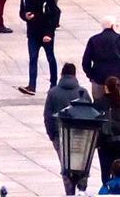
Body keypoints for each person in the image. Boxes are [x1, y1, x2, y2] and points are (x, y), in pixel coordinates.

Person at [43, 63, 91, 195]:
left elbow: (48, 116)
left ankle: (69, 192)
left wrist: (52, 134)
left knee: (65, 165)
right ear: (75, 75)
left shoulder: (53, 93)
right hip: (82, 135)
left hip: (61, 135)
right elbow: (92, 115)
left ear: (61, 74)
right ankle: (82, 187)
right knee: (82, 162)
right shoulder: (83, 92)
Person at [18, 0, 61, 95]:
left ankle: (53, 84)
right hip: (32, 33)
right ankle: (32, 85)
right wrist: (25, 17)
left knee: (50, 58)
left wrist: (49, 34)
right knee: (33, 58)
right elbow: (22, 12)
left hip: (45, 34)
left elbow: (54, 16)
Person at [82, 15, 120, 101]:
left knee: (98, 106)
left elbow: (86, 62)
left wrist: (91, 75)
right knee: (119, 106)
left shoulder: (93, 40)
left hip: (98, 78)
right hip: (118, 78)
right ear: (112, 26)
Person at [94, 76, 120, 184]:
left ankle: (108, 190)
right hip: (119, 141)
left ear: (105, 87)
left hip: (105, 142)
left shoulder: (99, 102)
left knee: (105, 171)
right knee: (117, 170)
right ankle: (117, 189)